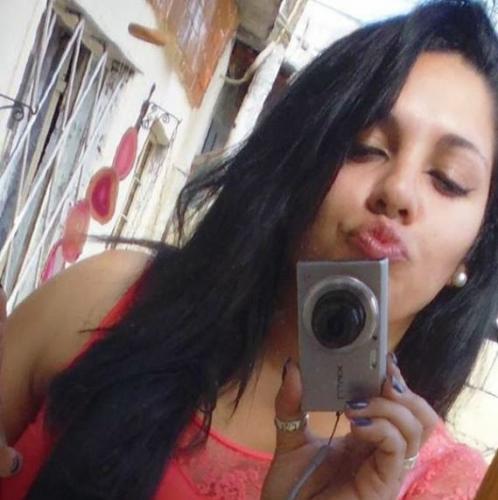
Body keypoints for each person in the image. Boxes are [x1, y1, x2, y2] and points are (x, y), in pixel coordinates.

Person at [1, 0, 498, 498]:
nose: (398, 191)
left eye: (449, 180)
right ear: (298, 160)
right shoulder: (107, 298)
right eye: (365, 147)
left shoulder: (445, 487)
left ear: (474, 249)